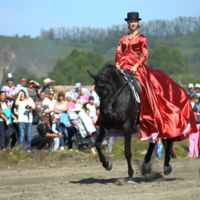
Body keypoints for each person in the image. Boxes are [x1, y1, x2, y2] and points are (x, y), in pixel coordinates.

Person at [115, 12, 197, 142]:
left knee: (144, 86)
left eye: (135, 21)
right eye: (131, 21)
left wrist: (136, 66)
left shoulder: (142, 37)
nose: (133, 23)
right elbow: (118, 52)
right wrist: (117, 64)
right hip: (122, 65)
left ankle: (147, 113)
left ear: (137, 23)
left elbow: (145, 55)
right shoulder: (122, 38)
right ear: (128, 23)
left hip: (136, 66)